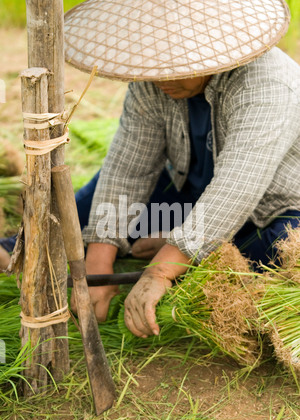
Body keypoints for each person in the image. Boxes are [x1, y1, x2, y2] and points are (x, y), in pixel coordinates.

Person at [3, 1, 300, 339]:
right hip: (190, 192)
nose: (160, 81)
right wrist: (98, 261)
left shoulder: (268, 85)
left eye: (174, 70)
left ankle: (181, 248)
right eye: (153, 69)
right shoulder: (152, 82)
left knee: (273, 255)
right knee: (96, 201)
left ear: (212, 51)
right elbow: (129, 169)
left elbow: (236, 191)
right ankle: (19, 246)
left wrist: (160, 271)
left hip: (269, 211)